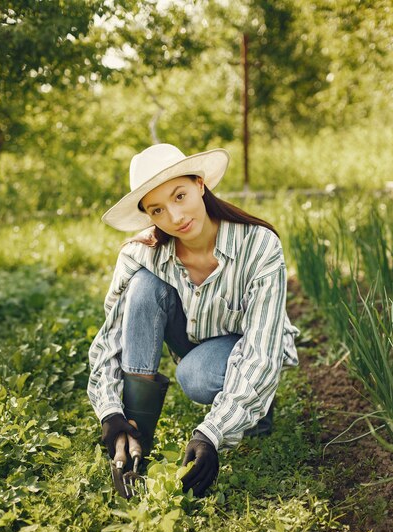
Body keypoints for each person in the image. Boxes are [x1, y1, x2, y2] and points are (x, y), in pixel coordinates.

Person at [87, 143, 300, 497]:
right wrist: (110, 411)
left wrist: (211, 434)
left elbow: (262, 350)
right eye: (157, 209)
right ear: (149, 216)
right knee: (143, 286)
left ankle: (256, 409)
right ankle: (137, 440)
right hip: (193, 339)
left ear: (200, 184)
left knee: (195, 376)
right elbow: (111, 339)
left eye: (180, 195)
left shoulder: (259, 245)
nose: (174, 216)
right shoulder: (142, 252)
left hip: (244, 345)